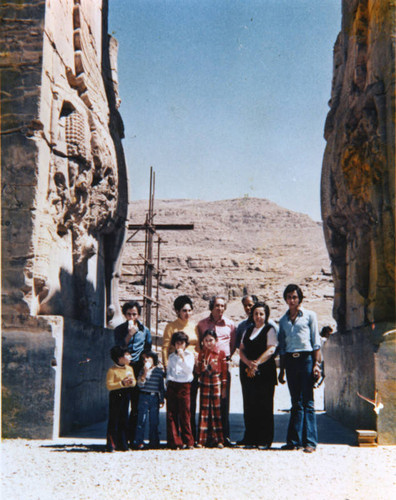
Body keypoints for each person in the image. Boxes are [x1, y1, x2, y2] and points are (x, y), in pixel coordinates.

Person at [278, 284, 322, 453]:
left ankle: (310, 441)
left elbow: (315, 341)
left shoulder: (310, 316)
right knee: (295, 402)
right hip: (290, 361)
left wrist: (316, 365)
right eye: (289, 297)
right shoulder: (283, 320)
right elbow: (282, 347)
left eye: (294, 297)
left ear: (300, 298)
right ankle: (294, 440)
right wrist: (281, 370)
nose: (292, 300)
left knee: (308, 401)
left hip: (306, 359)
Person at [197, 295, 236, 445]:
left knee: (222, 403)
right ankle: (205, 437)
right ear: (211, 307)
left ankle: (223, 437)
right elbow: (201, 344)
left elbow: (232, 345)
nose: (219, 308)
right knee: (206, 404)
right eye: (216, 306)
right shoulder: (202, 325)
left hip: (222, 365)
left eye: (222, 306)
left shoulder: (230, 325)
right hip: (207, 367)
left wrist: (223, 358)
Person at [239, 302, 278, 449]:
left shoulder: (270, 330)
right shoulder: (247, 331)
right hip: (249, 371)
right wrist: (249, 363)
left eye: (261, 314)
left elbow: (271, 349)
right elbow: (241, 349)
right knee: (250, 404)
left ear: (266, 315)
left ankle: (264, 439)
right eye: (256, 314)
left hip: (265, 372)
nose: (258, 317)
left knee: (265, 405)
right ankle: (251, 438)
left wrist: (257, 363)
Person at [114, 301, 152, 446]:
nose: (131, 317)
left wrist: (146, 363)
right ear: (124, 315)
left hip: (137, 368)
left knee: (136, 404)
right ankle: (121, 439)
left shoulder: (144, 330)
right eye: (129, 314)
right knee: (123, 403)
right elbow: (118, 348)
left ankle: (133, 437)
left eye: (134, 314)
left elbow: (147, 348)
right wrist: (129, 336)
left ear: (138, 315)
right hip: (124, 367)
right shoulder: (119, 330)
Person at [162, 295, 200, 439]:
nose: (187, 313)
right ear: (177, 311)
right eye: (184, 310)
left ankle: (190, 437)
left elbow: (198, 345)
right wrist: (166, 368)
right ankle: (174, 438)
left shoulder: (194, 327)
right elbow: (165, 348)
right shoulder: (171, 327)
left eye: (190, 310)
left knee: (190, 405)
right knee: (174, 407)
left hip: (190, 369)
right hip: (176, 370)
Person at [196, 329, 227, 448]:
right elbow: (198, 371)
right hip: (204, 382)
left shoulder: (220, 353)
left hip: (215, 383)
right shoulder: (202, 353)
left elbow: (224, 372)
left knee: (216, 411)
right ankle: (202, 440)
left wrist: (224, 388)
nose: (209, 343)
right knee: (204, 411)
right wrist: (201, 368)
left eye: (211, 340)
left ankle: (219, 440)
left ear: (216, 340)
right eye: (206, 340)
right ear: (203, 341)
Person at [166, 331, 195, 449]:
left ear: (185, 344)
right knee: (171, 414)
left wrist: (182, 358)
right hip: (173, 384)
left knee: (185, 413)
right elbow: (169, 371)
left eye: (182, 343)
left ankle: (188, 441)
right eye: (177, 343)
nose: (179, 346)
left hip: (184, 385)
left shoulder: (190, 356)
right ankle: (174, 442)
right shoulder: (171, 357)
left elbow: (189, 370)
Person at [105, 346, 136, 452]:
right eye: (127, 355)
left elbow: (134, 382)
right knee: (114, 419)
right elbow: (109, 385)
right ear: (119, 358)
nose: (130, 357)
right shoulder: (112, 370)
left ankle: (123, 444)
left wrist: (131, 382)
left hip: (126, 394)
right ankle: (111, 444)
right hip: (115, 395)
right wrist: (121, 383)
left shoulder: (129, 369)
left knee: (124, 419)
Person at [133, 350, 165, 449]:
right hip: (143, 396)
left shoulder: (159, 371)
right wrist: (144, 373)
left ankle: (154, 442)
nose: (146, 360)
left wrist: (162, 399)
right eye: (144, 359)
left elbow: (161, 387)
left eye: (148, 357)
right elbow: (140, 385)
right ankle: (139, 441)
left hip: (154, 397)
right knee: (141, 420)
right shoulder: (142, 370)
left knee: (154, 421)